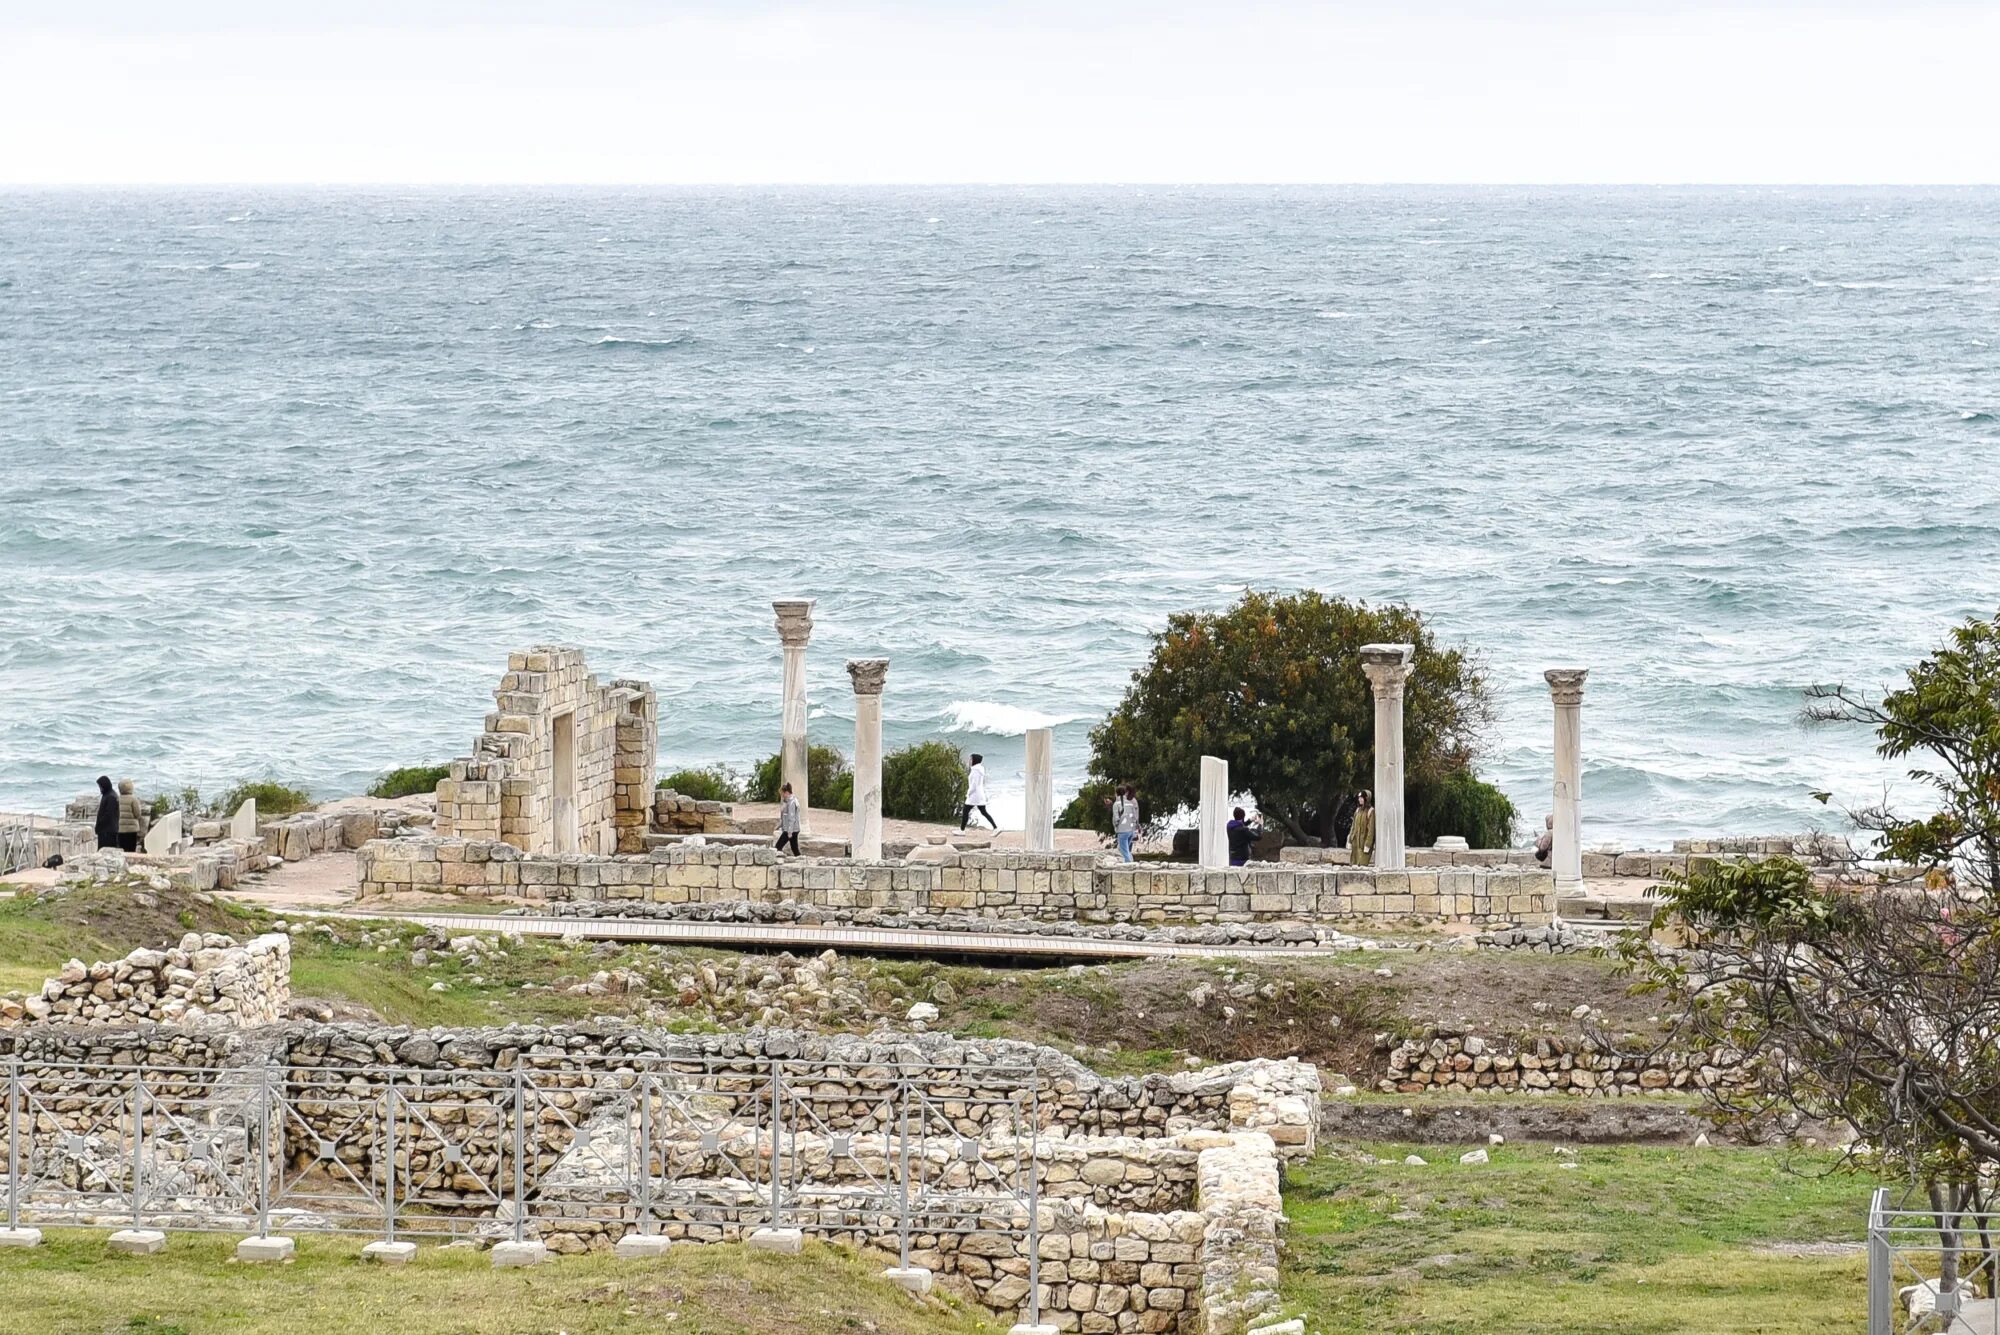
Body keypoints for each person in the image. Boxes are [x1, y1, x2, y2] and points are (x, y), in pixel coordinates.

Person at [960, 753, 997, 830]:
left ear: (974, 760)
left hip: (974, 795)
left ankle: (962, 830)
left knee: (966, 810)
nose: (969, 761)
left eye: (971, 759)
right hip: (979, 794)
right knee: (983, 812)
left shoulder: (975, 771)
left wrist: (968, 793)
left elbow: (974, 784)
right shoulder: (979, 770)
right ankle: (996, 828)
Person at [1109, 785, 1140, 862]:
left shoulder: (1116, 804)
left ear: (1116, 794)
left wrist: (1116, 827)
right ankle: (1131, 862)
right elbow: (1134, 817)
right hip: (1131, 831)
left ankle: (1128, 867)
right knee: (1126, 850)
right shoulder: (1130, 803)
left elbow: (1116, 819)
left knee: (1124, 852)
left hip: (1122, 831)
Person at [117, 778, 149, 853]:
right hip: (132, 829)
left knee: (121, 849)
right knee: (131, 849)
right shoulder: (133, 799)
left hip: (120, 828)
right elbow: (137, 814)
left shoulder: (117, 799)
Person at [1347, 789, 1375, 864]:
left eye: (1362, 798)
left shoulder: (1371, 811)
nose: (1360, 799)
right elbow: (1353, 826)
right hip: (1355, 843)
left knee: (1362, 865)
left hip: (1363, 844)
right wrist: (1350, 840)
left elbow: (1371, 831)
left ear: (1366, 798)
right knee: (1353, 864)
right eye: (1359, 798)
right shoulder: (1357, 810)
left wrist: (1368, 845)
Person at [92, 775, 119, 850]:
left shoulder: (111, 797)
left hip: (108, 831)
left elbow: (109, 815)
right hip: (106, 830)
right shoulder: (108, 794)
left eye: (100, 786)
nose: (100, 788)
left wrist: (100, 824)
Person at [775, 782, 801, 856]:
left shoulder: (792, 802)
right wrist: (779, 826)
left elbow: (791, 818)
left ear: (786, 793)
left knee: (778, 847)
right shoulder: (788, 802)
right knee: (794, 849)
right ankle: (801, 862)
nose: (782, 796)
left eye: (782, 794)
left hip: (790, 830)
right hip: (792, 829)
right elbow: (784, 816)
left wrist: (790, 832)